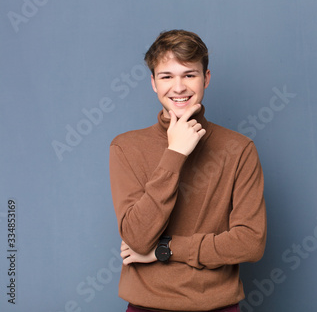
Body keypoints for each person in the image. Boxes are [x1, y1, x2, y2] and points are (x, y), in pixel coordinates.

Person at [109, 29, 267, 312]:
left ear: (206, 78)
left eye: (189, 75)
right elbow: (136, 238)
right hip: (147, 306)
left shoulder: (239, 149)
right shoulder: (126, 147)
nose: (178, 87)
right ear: (153, 83)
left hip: (217, 306)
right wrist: (176, 153)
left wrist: (164, 250)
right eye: (166, 76)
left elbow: (250, 243)